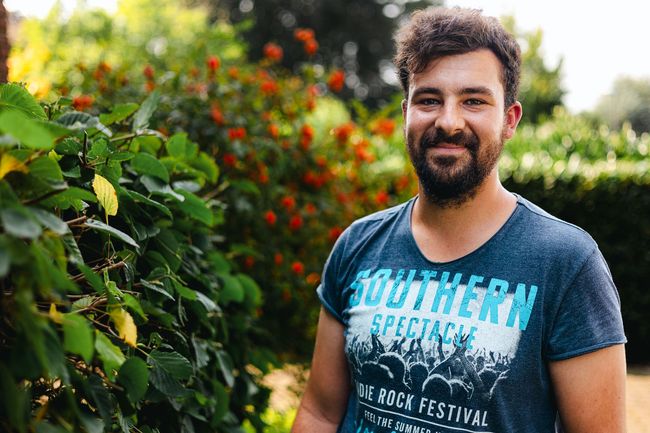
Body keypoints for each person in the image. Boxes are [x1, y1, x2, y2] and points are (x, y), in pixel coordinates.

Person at [291, 7, 626, 433]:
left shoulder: (567, 264)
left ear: (509, 120)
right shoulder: (358, 245)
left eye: (473, 100)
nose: (449, 121)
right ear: (406, 113)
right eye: (429, 99)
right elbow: (320, 412)